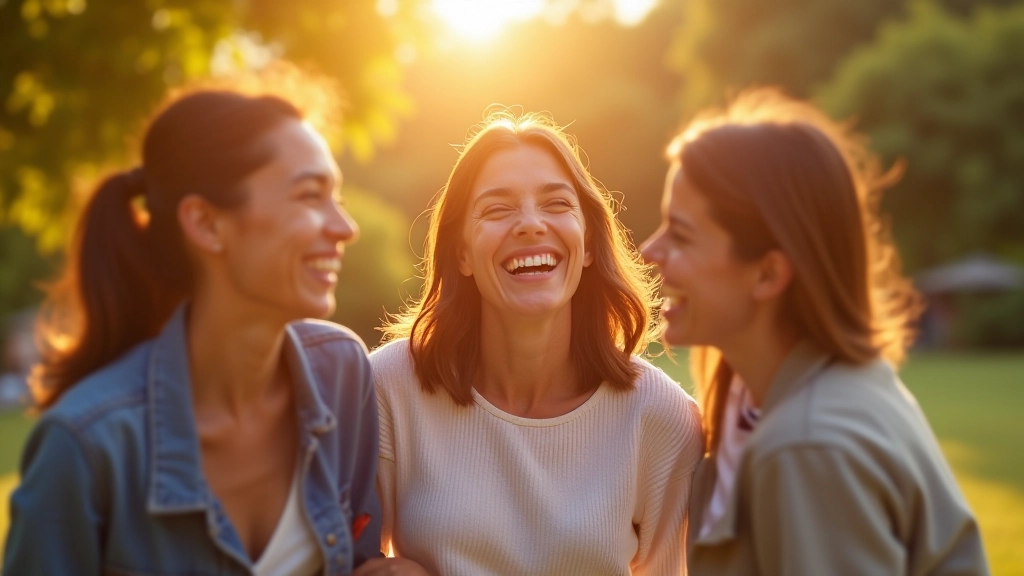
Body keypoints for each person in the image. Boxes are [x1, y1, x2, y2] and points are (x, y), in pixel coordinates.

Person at [3, 88, 382, 575]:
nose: (345, 226)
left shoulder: (342, 374)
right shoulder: (85, 447)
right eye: (310, 196)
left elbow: (360, 557)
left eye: (338, 197)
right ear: (206, 223)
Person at [640, 88, 990, 575]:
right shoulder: (752, 394)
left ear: (767, 274)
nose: (649, 252)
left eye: (680, 235)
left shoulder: (808, 448)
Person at [370, 110, 704, 575]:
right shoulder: (387, 388)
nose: (530, 224)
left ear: (587, 244)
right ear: (462, 252)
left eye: (556, 204)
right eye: (497, 209)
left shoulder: (659, 417)